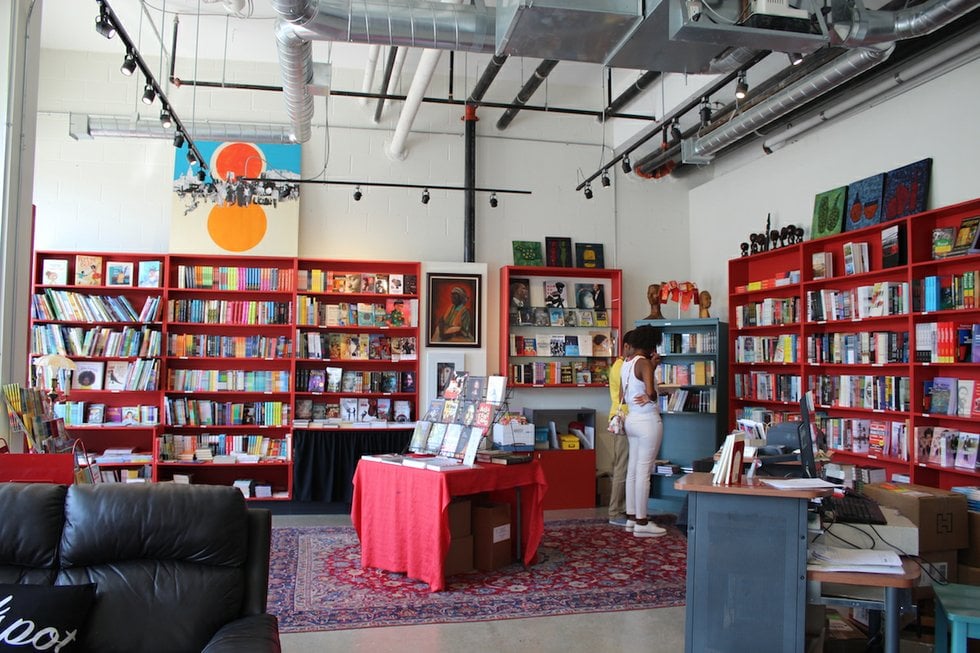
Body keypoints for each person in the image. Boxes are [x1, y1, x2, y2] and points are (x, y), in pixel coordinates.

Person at [620, 325, 666, 537]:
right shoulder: (645, 363)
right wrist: (651, 395)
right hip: (647, 420)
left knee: (633, 470)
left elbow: (626, 391)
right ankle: (642, 521)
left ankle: (631, 517)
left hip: (631, 420)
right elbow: (650, 392)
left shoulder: (625, 364)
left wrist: (651, 368)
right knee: (644, 472)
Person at [607, 330, 634, 527]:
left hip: (624, 418)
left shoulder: (622, 365)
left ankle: (622, 508)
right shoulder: (621, 367)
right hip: (623, 419)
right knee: (622, 467)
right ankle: (615, 511)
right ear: (625, 347)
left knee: (623, 466)